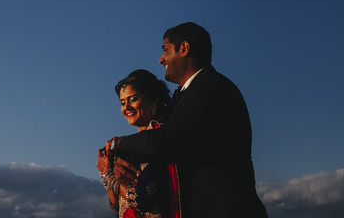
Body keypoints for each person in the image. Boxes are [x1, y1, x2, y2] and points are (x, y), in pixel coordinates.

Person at [112, 22, 268, 218]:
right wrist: (124, 159)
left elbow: (164, 141)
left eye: (165, 50)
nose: (161, 59)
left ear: (184, 49)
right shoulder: (189, 94)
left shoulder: (209, 87)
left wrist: (117, 145)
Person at [97, 69, 181, 218]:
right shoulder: (126, 147)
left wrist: (107, 176)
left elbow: (142, 198)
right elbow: (119, 208)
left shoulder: (159, 139)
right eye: (123, 102)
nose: (126, 107)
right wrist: (108, 170)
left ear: (153, 101)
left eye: (133, 99)